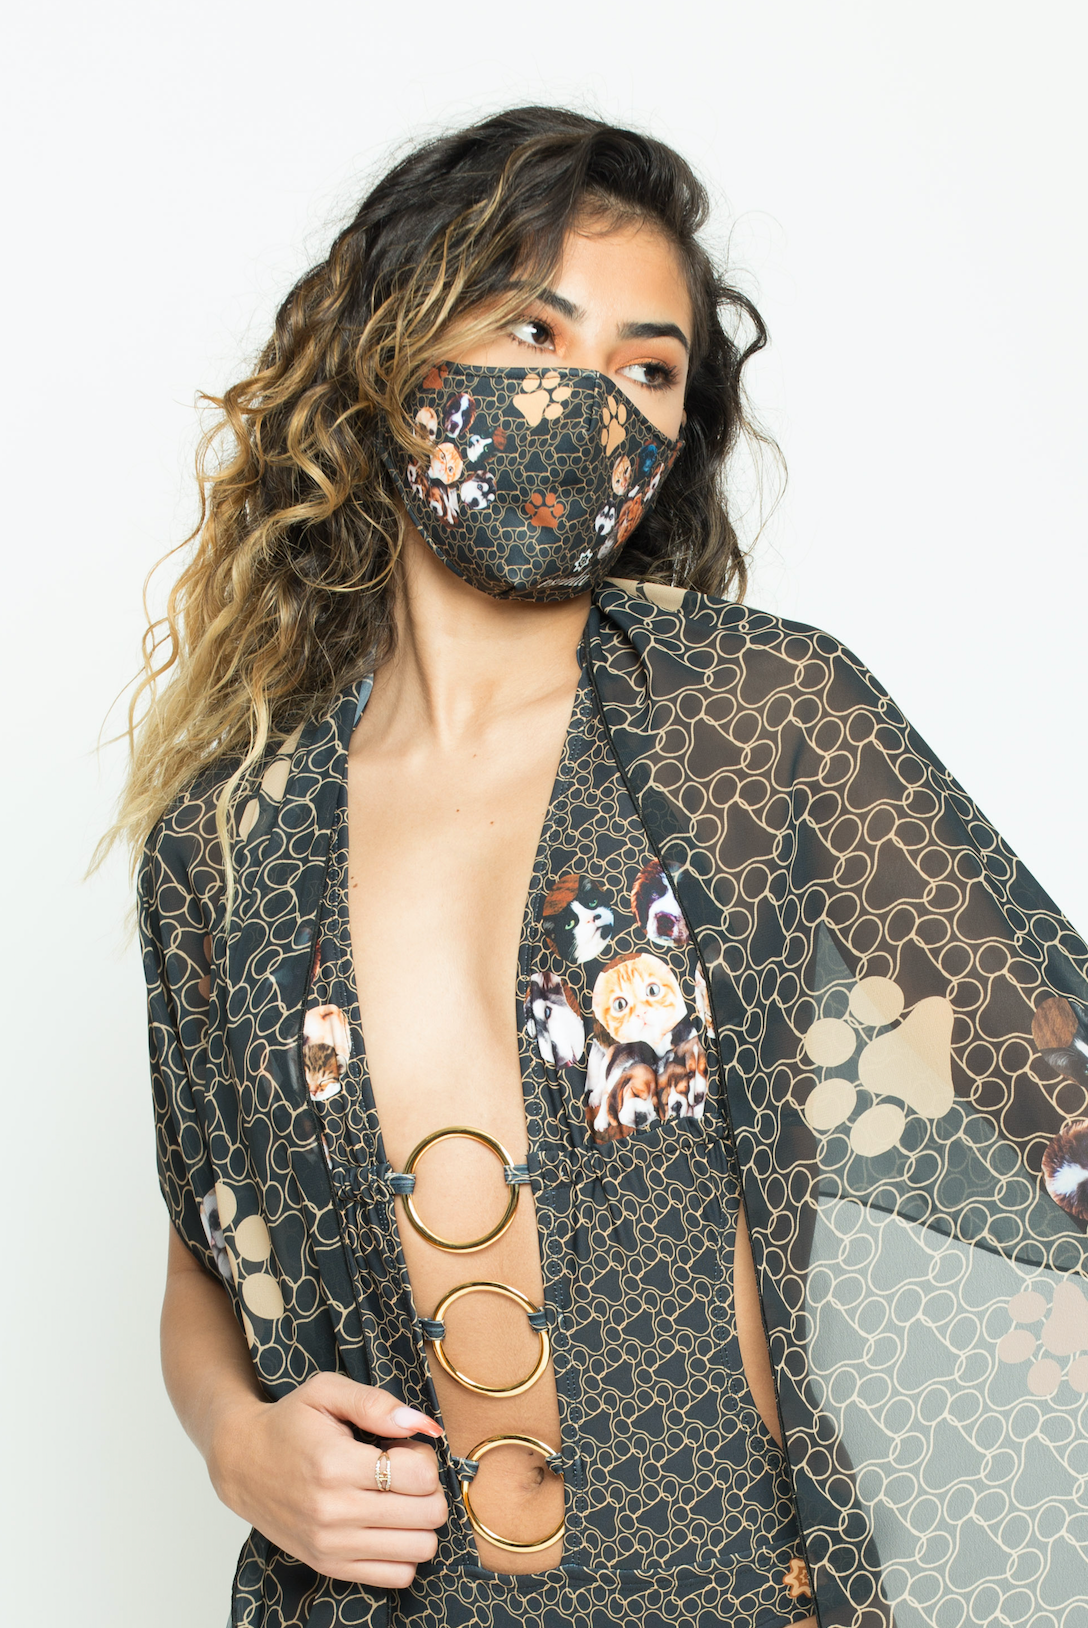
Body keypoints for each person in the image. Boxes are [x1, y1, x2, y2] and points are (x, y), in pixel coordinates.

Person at [119, 108, 1088, 1628]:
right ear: (390, 353)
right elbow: (203, 1253)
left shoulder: (757, 725)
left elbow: (1060, 1094)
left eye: (648, 367)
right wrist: (238, 1447)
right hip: (374, 1604)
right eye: (534, 328)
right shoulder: (227, 839)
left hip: (734, 1587)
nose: (588, 397)